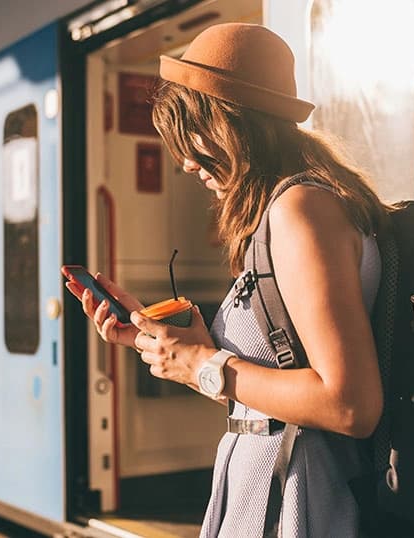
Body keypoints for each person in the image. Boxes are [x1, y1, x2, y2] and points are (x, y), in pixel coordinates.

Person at [64, 23, 390, 536]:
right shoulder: (290, 209)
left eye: (189, 135)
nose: (185, 163)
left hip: (301, 504)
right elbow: (280, 395)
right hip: (277, 490)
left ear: (231, 123)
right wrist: (180, 353)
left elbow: (349, 405)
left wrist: (200, 362)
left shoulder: (300, 210)